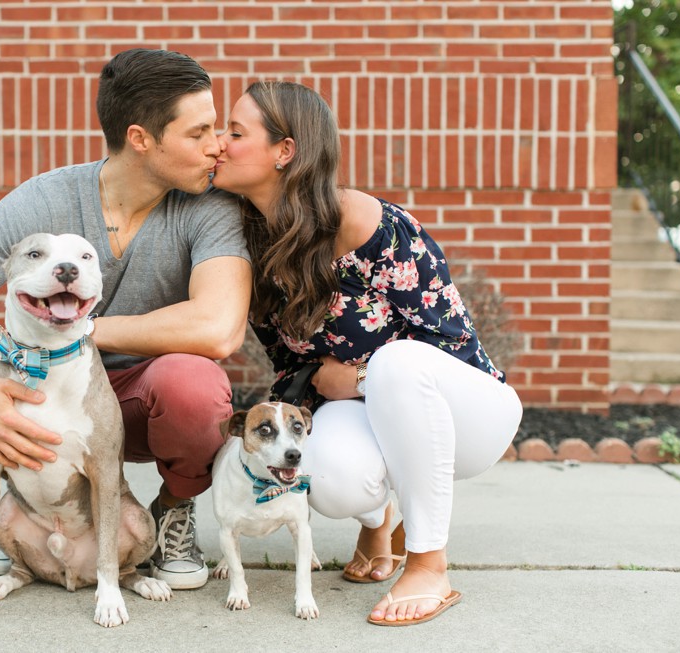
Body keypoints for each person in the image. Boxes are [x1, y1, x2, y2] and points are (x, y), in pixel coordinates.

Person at [0, 49, 251, 591]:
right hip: (36, 387)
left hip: (138, 393)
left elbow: (218, 328)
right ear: (142, 138)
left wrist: (82, 329)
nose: (217, 145)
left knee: (195, 388)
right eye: (200, 133)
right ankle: (15, 498)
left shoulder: (211, 207)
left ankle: (172, 510)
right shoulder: (43, 200)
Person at [210, 81, 522, 625]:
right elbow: (291, 368)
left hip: (469, 414)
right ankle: (380, 522)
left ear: (286, 151)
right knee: (326, 480)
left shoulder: (371, 226)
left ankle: (428, 564)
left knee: (395, 363)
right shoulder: (252, 244)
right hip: (371, 413)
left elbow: (449, 343)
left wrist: (357, 379)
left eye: (235, 132)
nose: (218, 143)